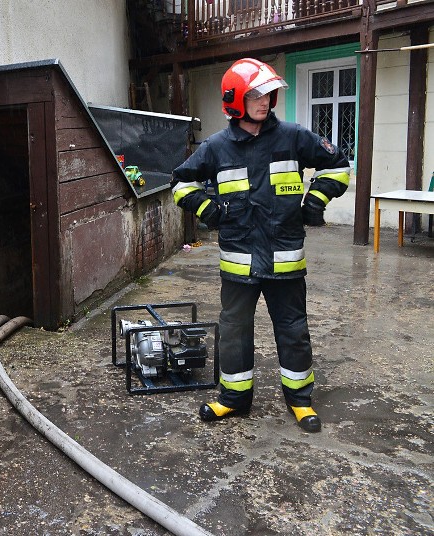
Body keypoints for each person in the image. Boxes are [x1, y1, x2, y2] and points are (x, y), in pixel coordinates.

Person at [170, 58, 350, 433]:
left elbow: (338, 166)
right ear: (235, 100)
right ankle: (234, 398)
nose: (264, 101)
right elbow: (181, 183)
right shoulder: (216, 147)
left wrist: (315, 200)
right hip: (239, 264)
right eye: (255, 94)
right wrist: (208, 209)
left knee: (293, 330)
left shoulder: (294, 136)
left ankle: (300, 400)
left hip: (285, 261)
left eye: (268, 94)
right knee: (234, 330)